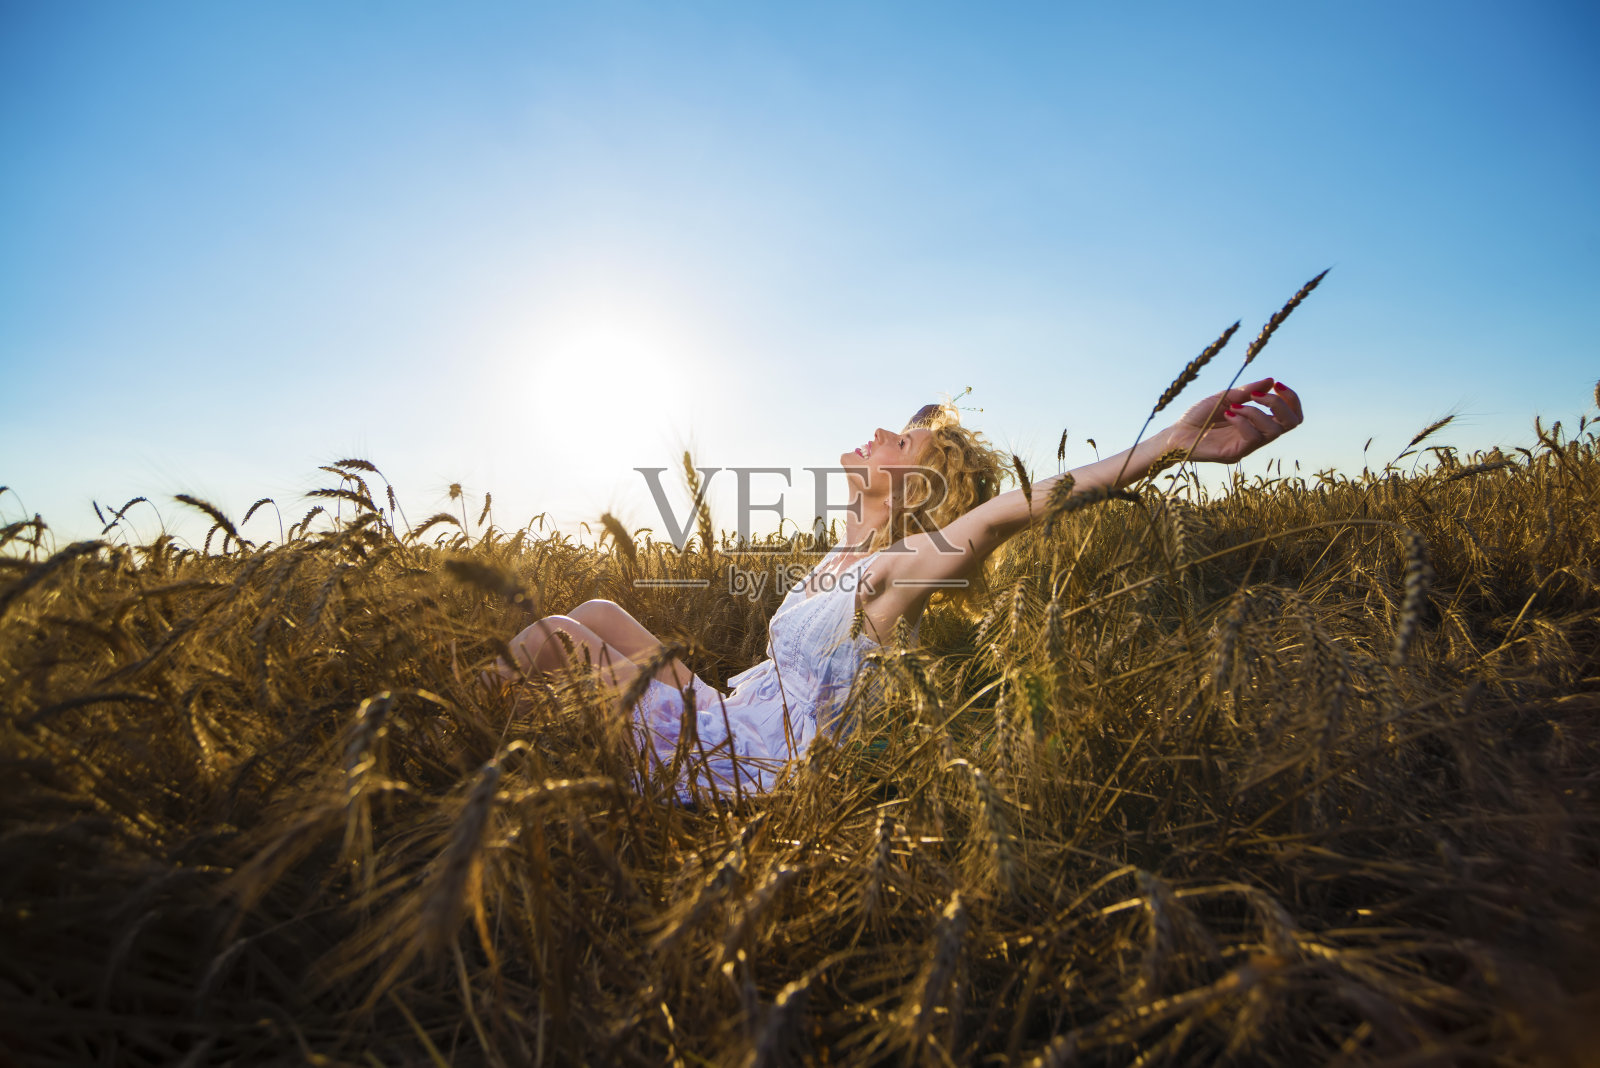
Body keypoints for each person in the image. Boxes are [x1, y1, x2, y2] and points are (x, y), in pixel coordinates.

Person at [489, 378, 1303, 798]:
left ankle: (463, 765)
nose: (877, 432)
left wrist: (1167, 442)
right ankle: (487, 741)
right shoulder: (837, 561)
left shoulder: (899, 568)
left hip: (751, 761)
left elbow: (997, 518)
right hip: (734, 713)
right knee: (597, 611)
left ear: (918, 488)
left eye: (901, 439)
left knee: (558, 634)